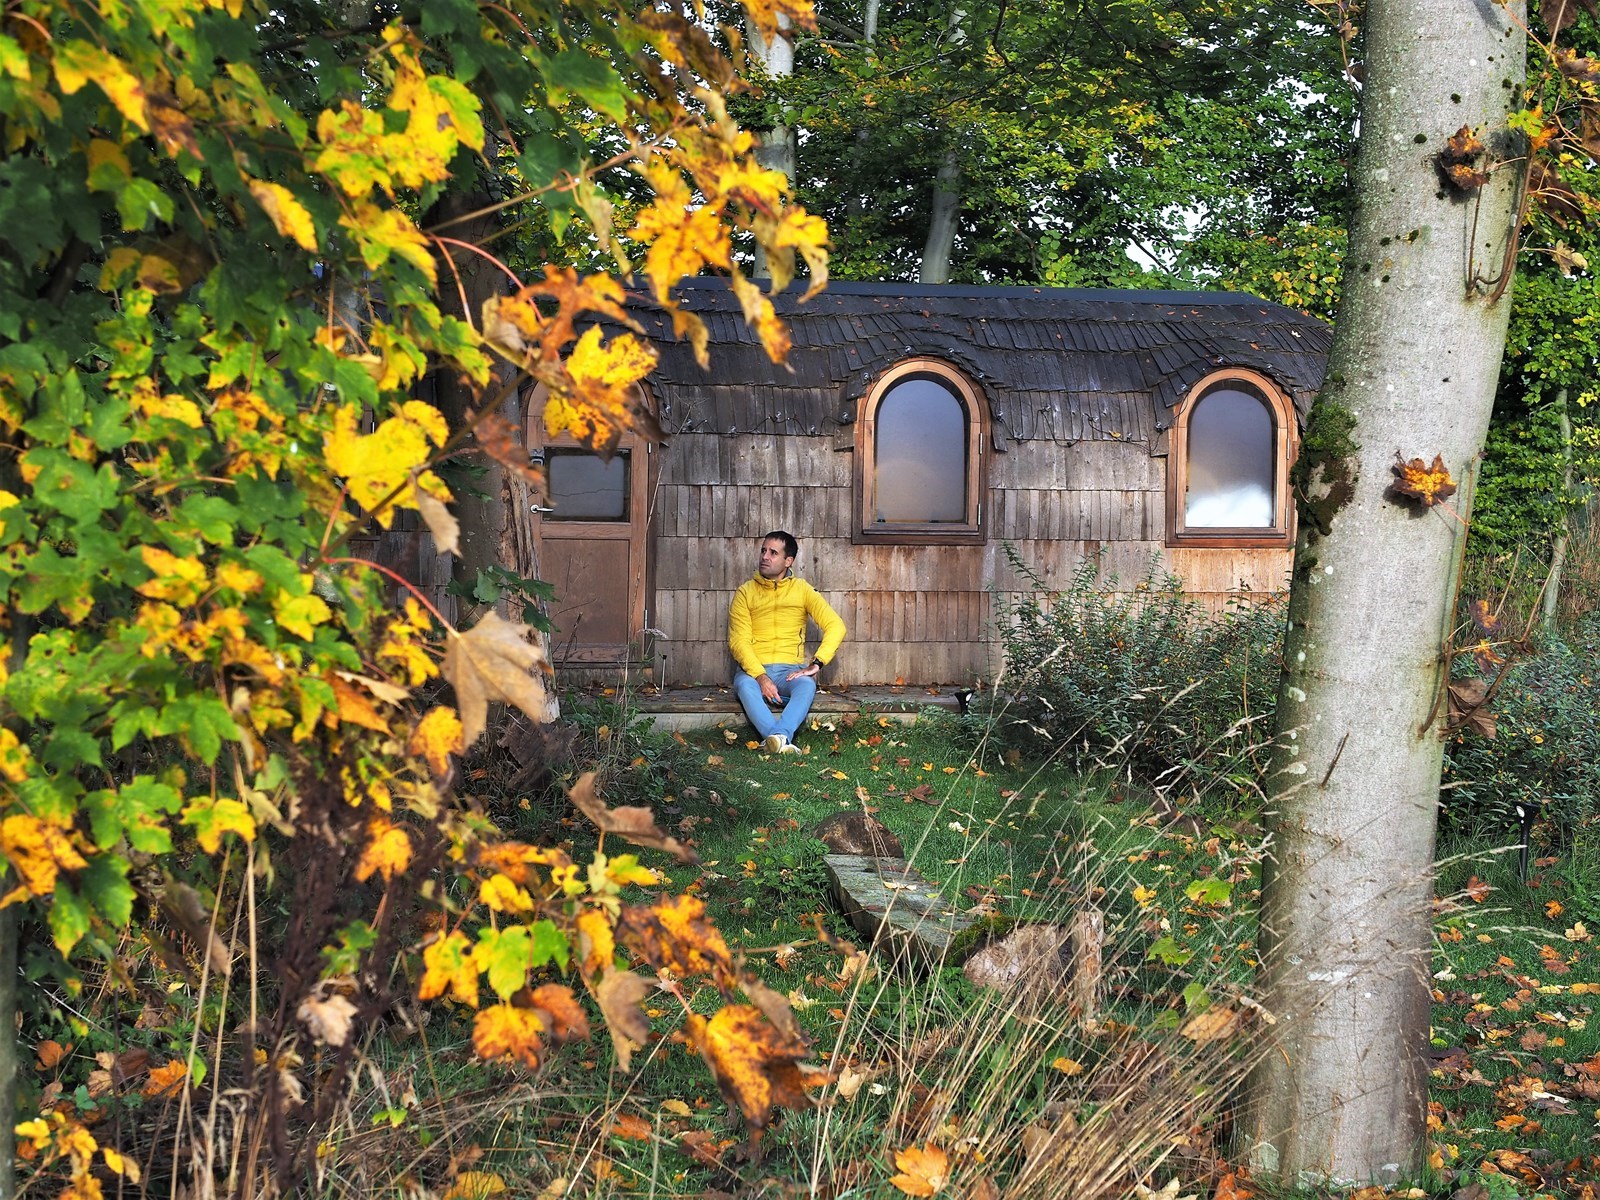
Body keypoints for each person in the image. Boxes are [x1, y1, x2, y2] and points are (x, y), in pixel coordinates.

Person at [728, 530, 846, 754]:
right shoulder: (745, 592)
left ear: (788, 561)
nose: (765, 556)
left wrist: (817, 663)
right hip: (753, 671)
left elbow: (836, 625)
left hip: (788, 671)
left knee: (806, 685)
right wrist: (760, 677)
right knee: (744, 686)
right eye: (764, 550)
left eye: (773, 553)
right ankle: (781, 738)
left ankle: (777, 738)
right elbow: (738, 641)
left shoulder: (802, 590)